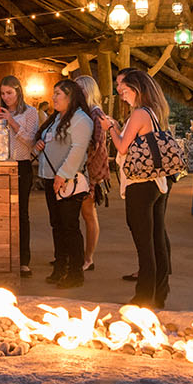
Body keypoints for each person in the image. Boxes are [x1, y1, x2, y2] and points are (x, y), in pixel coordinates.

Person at [107, 68, 173, 308]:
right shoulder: (154, 112)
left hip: (140, 183)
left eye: (124, 89)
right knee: (156, 239)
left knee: (144, 243)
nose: (121, 93)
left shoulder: (139, 113)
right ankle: (159, 293)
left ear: (137, 89)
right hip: (155, 182)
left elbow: (122, 147)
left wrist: (110, 128)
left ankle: (143, 297)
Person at [32, 78, 94, 290]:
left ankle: (75, 272)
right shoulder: (57, 118)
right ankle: (60, 266)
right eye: (54, 93)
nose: (53, 97)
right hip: (52, 178)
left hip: (67, 181)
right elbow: (49, 141)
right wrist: (40, 144)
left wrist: (63, 174)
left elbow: (78, 149)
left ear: (70, 96)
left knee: (69, 226)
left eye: (58, 93)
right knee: (57, 225)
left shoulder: (80, 119)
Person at [0, 76, 39, 277]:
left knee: (21, 212)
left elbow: (31, 141)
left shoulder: (30, 112)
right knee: (1, 212)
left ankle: (23, 260)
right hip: (0, 164)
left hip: (21, 164)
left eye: (9, 93)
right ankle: (3, 255)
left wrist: (11, 122)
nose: (6, 97)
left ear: (18, 91)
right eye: (2, 93)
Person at [73, 74, 111, 272]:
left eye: (80, 89)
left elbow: (95, 145)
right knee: (82, 213)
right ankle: (81, 255)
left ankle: (88, 258)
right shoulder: (83, 112)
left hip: (90, 171)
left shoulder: (95, 113)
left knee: (88, 213)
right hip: (81, 169)